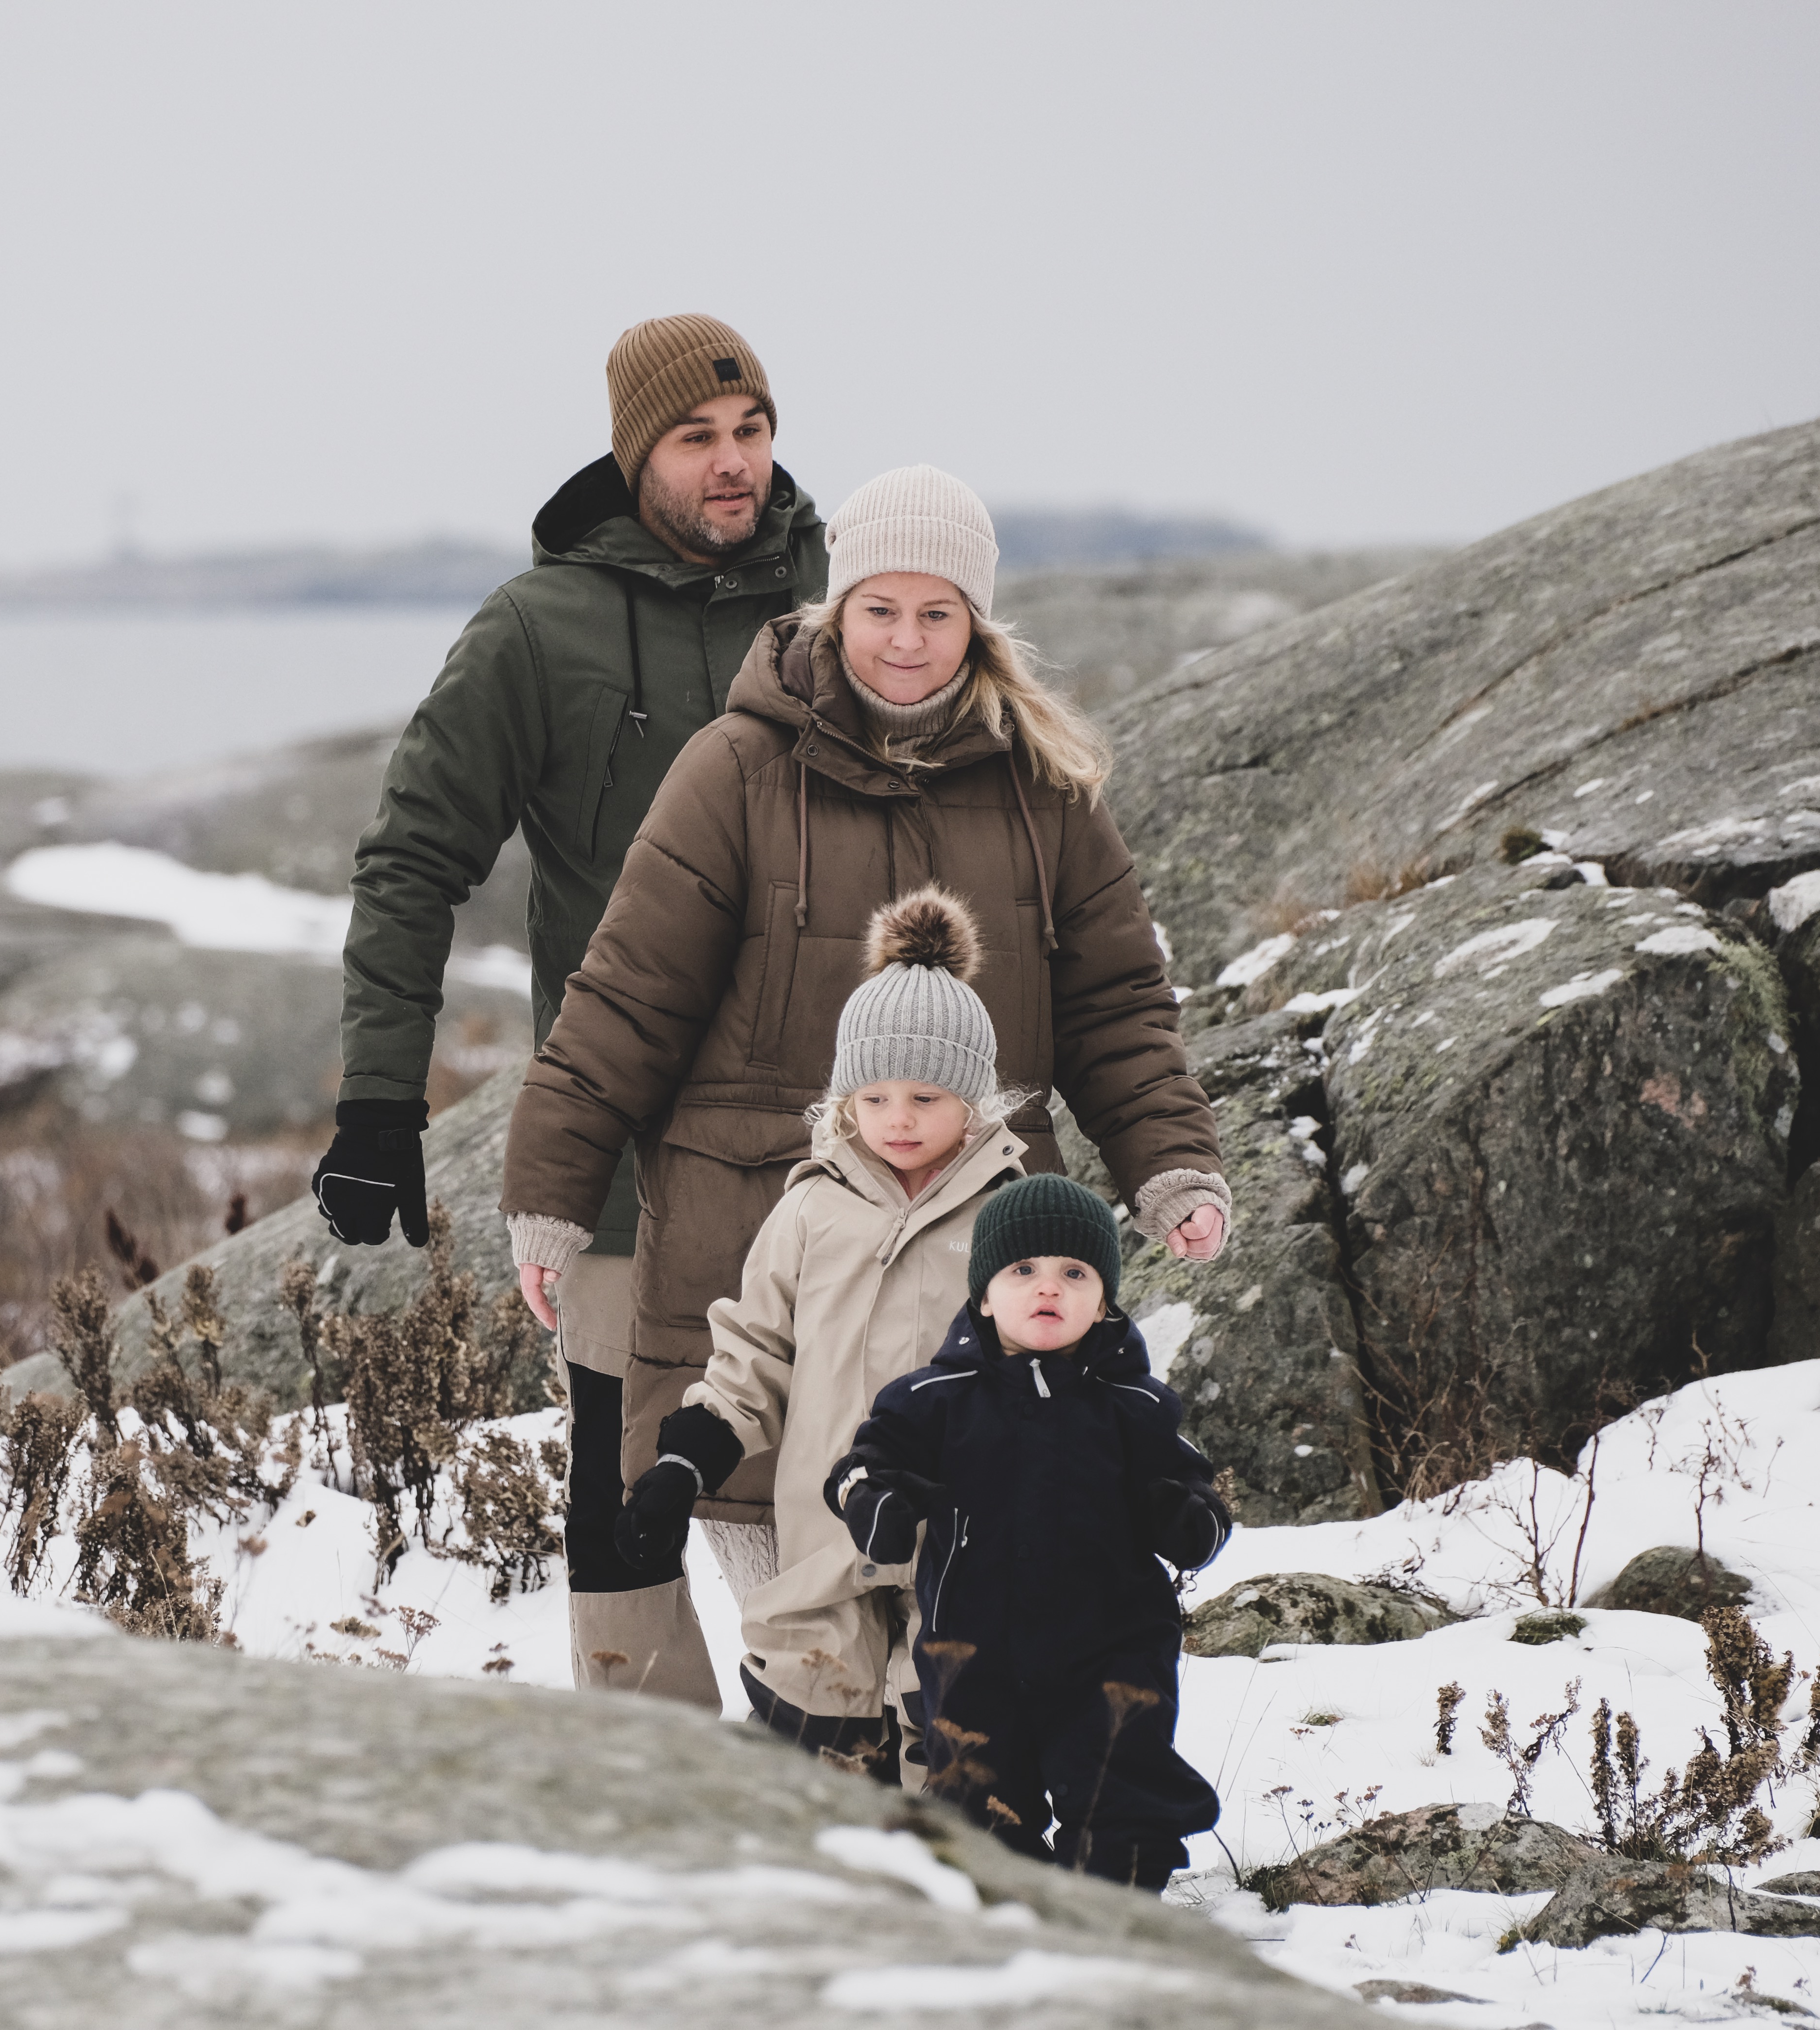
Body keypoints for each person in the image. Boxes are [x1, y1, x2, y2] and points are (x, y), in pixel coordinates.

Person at [500, 463, 1232, 1710]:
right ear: (836, 609)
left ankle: (950, 1820)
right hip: (759, 1245)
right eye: (879, 609)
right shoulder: (736, 770)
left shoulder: (1044, 791)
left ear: (976, 623)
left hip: (980, 1263)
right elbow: (626, 998)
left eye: (937, 612)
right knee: (812, 1658)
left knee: (972, 1661)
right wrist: (551, 1195)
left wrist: (1170, 1165)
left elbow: (1116, 1007)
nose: (906, 639)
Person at [313, 315, 828, 1706]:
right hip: (624, 1148)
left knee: (839, 1463)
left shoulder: (839, 602)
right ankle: (650, 1780)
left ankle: (851, 1756)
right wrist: (380, 1103)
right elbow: (412, 860)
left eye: (752, 431)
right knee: (622, 1478)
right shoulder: (538, 631)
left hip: (834, 1137)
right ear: (634, 454)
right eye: (697, 439)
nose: (735, 464)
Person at [610, 885, 1033, 1780]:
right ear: (847, 1099)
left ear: (974, 1100)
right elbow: (756, 1350)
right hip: (826, 1537)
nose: (898, 1118)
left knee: (955, 1740)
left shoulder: (1010, 1216)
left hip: (962, 1538)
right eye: (875, 1096)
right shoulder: (811, 1209)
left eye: (925, 1096)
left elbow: (1054, 1364)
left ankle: (955, 1863)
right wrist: (688, 1459)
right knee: (816, 1738)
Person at [827, 1173, 1232, 1887]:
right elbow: (861, 1466)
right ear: (984, 1296)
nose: (1049, 1287)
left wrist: (1190, 1519)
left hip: (1114, 1651)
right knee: (980, 1809)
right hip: (972, 1652)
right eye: (1023, 1270)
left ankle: (1112, 1916)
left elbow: (1196, 1487)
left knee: (1122, 1794)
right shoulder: (933, 1398)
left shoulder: (1136, 1406)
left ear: (1103, 1300)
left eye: (1075, 1273)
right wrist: (876, 1505)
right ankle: (1008, 1918)